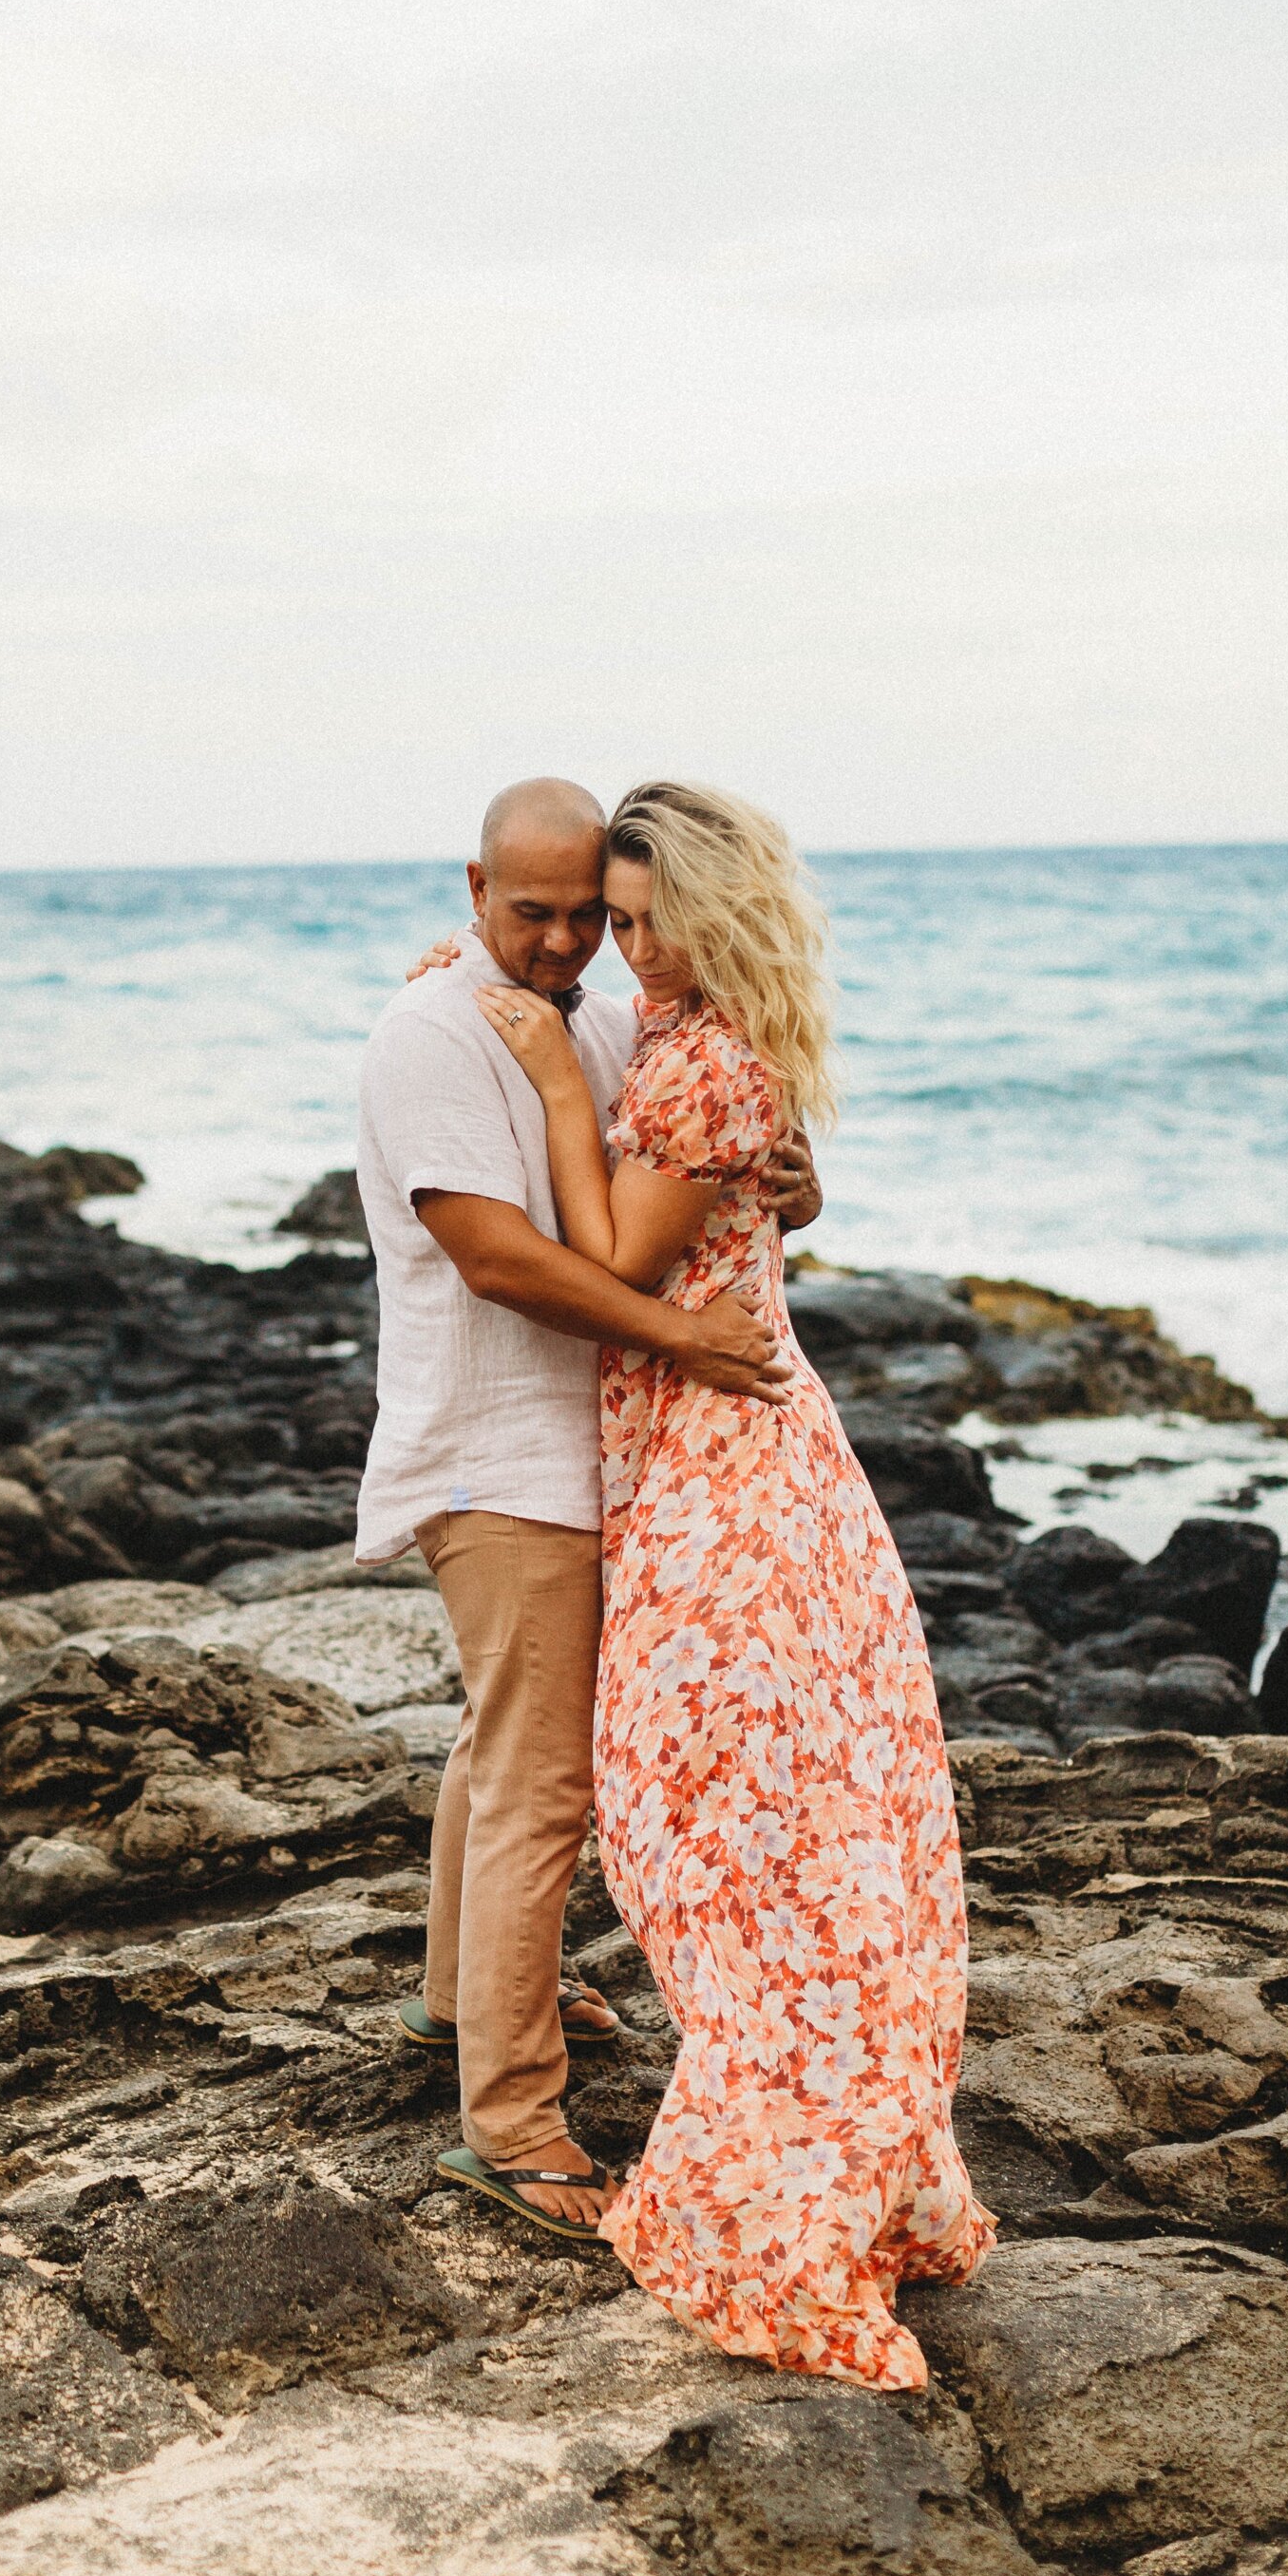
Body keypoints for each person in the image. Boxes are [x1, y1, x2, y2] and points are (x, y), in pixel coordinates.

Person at [474, 776, 993, 2388]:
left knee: (710, 1801)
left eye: (641, 924)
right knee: (775, 1803)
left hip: (728, 1470)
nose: (619, 956)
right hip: (725, 1457)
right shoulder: (708, 1039)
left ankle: (789, 2154)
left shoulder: (692, 1060)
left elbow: (613, 1263)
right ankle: (838, 2117)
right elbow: (731, 1197)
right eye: (602, 925)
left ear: (708, 915)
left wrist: (556, 1081)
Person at [354, 777, 816, 2236]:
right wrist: (685, 1338)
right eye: (534, 912)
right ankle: (512, 2125)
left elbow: (686, 1159)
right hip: (496, 1457)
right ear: (473, 886)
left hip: (587, 1448)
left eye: (588, 916)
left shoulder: (601, 1015)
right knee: (549, 1786)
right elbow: (494, 1253)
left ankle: (456, 2002)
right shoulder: (431, 1032)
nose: (564, 943)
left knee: (505, 1747)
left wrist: (781, 1178)